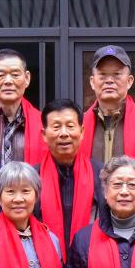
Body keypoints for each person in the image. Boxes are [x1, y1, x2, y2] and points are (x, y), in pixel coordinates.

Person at [34, 98, 103, 253]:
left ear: (82, 131)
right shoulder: (32, 178)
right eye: (56, 127)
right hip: (44, 258)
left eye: (70, 126)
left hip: (90, 257)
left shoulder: (101, 174)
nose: (64, 133)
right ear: (44, 134)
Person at [81, 45, 135, 163]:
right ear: (92, 82)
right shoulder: (78, 125)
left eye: (117, 74)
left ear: (129, 81)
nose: (109, 80)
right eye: (102, 74)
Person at [0, 48, 47, 165]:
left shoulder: (44, 124)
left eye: (15, 75)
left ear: (27, 78)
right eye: (1, 75)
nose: (8, 81)